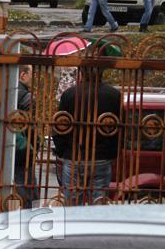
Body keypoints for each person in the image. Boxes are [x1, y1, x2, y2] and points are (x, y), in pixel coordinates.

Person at [52, 70, 121, 206]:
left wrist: (63, 151)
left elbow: (60, 125)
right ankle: (94, 226)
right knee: (98, 204)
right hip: (101, 157)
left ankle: (74, 226)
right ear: (102, 73)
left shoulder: (70, 94)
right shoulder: (114, 95)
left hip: (74, 156)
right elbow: (119, 128)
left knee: (72, 205)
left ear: (82, 74)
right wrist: (112, 153)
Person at [14, 65, 39, 208]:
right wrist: (34, 147)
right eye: (31, 74)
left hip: (6, 149)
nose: (32, 78)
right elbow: (31, 128)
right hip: (23, 151)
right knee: (29, 189)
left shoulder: (2, 92)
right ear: (23, 75)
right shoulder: (26, 97)